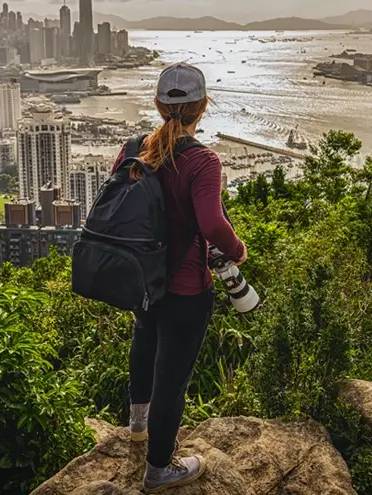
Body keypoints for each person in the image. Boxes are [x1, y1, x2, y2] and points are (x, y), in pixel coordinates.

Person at [111, 62, 247, 493]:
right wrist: (237, 251)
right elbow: (212, 224)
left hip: (141, 278)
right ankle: (159, 470)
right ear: (202, 107)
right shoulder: (202, 160)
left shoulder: (135, 147)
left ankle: (137, 427)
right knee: (172, 381)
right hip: (186, 288)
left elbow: (116, 200)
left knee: (143, 342)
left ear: (157, 104)